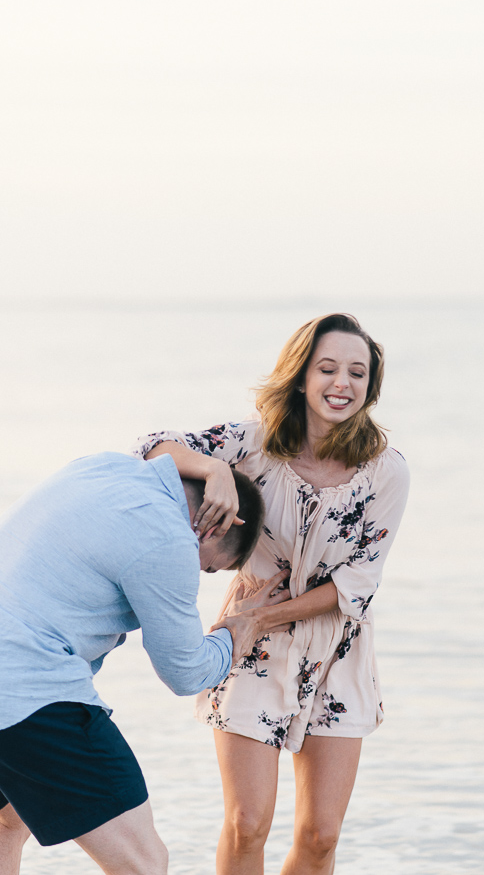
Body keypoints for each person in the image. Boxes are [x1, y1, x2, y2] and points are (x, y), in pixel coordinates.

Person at [134, 313, 410, 875]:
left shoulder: (386, 472)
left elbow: (356, 585)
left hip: (335, 651)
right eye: (328, 368)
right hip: (250, 648)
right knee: (248, 824)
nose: (342, 383)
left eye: (357, 373)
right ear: (302, 375)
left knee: (320, 836)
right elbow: (150, 450)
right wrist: (211, 468)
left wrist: (266, 618)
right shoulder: (251, 444)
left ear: (370, 386)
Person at [0, 450, 287, 875]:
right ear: (211, 529)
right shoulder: (169, 539)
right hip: (29, 691)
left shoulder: (103, 467)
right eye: (210, 569)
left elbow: (163, 446)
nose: (199, 571)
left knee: (9, 822)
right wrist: (235, 633)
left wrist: (213, 467)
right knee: (144, 863)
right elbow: (185, 672)